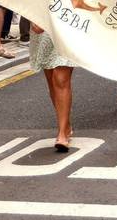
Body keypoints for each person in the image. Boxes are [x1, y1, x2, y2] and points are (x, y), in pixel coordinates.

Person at [29, 23, 75, 151]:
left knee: (60, 79)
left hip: (68, 21)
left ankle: (62, 133)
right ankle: (65, 125)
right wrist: (32, 17)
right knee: (52, 82)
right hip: (43, 25)